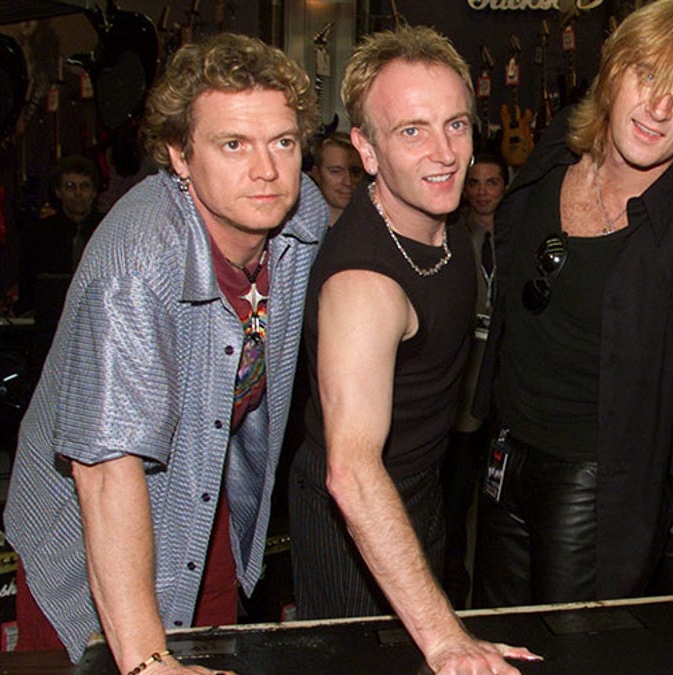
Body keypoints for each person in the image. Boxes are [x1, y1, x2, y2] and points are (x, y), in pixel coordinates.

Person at [5, 32, 327, 673]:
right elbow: (104, 470)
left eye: (283, 142)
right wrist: (148, 662)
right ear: (179, 155)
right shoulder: (136, 265)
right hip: (85, 529)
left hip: (205, 500)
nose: (266, 170)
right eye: (233, 144)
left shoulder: (301, 216)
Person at [472, 0, 673, 640]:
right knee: (490, 646)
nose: (659, 109)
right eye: (648, 74)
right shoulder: (557, 147)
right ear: (612, 73)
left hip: (593, 490)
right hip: (502, 457)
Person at [286, 27, 538, 673]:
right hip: (352, 510)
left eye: (455, 124)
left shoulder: (443, 218)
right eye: (411, 131)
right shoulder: (364, 286)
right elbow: (352, 470)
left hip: (420, 487)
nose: (445, 153)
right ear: (366, 149)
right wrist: (446, 634)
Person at [440, 153, 507, 608]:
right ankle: (450, 585)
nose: (483, 191)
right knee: (457, 486)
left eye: (492, 182)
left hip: (505, 368)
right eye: (475, 183)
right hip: (464, 370)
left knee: (498, 489)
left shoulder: (522, 231)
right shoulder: (451, 235)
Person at [17, 154, 103, 315]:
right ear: (58, 192)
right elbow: (27, 286)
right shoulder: (38, 234)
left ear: (94, 192)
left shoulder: (109, 231)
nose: (78, 193)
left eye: (84, 186)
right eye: (70, 186)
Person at [309, 131, 364, 226]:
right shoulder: (302, 231)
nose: (348, 182)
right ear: (317, 174)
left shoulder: (376, 227)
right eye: (336, 171)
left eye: (355, 171)